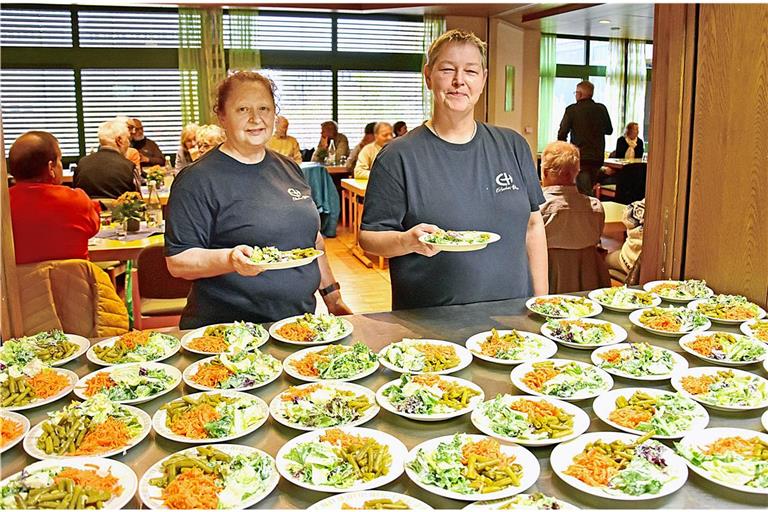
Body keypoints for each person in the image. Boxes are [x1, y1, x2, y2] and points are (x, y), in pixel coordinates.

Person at [359, 29, 548, 310]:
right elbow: (369, 238)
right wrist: (406, 241)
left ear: (483, 79)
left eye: (470, 71)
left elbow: (533, 226)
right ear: (428, 76)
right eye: (447, 69)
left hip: (514, 320)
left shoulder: (513, 145)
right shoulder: (398, 156)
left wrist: (541, 303)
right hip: (431, 326)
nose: (459, 81)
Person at [165, 71, 351, 328]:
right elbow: (178, 262)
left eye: (264, 108)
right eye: (243, 109)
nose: (256, 118)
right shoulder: (197, 179)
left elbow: (313, 240)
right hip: (228, 331)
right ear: (222, 116)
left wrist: (333, 297)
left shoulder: (289, 169)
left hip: (296, 324)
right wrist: (229, 259)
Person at [8, 131, 100, 265]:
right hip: (74, 284)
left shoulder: (4, 205)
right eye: (60, 160)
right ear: (51, 167)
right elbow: (93, 228)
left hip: (18, 285)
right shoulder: (77, 200)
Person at [540, 141, 605, 250]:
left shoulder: (535, 210)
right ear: (576, 172)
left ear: (545, 172)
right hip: (586, 267)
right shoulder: (596, 208)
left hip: (545, 267)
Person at [557, 80, 613, 195]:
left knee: (583, 192)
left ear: (580, 94)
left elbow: (562, 133)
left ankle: (588, 211)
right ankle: (590, 209)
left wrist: (563, 151)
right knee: (588, 187)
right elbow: (609, 130)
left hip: (580, 157)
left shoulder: (572, 110)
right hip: (597, 158)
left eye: (576, 93)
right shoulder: (601, 109)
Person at [75, 119, 140, 199]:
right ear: (119, 140)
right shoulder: (129, 167)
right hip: (119, 211)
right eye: (127, 139)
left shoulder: (81, 164)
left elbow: (77, 196)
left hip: (89, 210)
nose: (129, 143)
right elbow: (137, 202)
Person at [607, 198, 645, 276]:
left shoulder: (651, 200)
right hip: (651, 260)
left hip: (632, 260)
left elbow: (629, 215)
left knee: (603, 260)